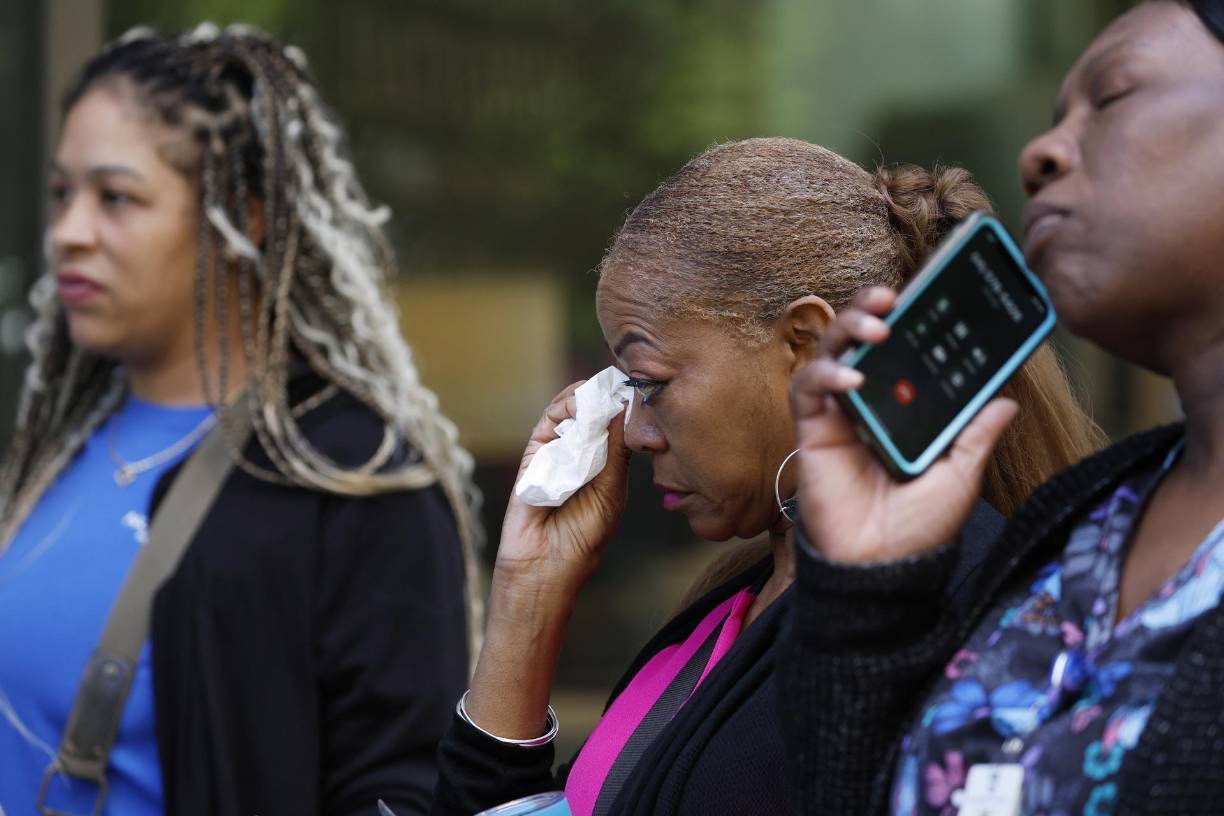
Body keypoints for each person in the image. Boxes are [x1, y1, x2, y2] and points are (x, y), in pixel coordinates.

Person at [431, 137, 1103, 815]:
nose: (633, 431)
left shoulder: (944, 609)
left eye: (649, 381)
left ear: (806, 343)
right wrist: (528, 597)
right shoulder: (729, 602)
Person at [0, 24, 480, 816]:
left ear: (243, 217)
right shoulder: (55, 445)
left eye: (115, 197)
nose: (68, 233)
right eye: (62, 193)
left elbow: (404, 783)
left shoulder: (350, 474)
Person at [782, 1, 1224, 813]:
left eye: (1114, 96)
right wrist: (866, 589)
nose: (1040, 153)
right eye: (1057, 117)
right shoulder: (1080, 518)